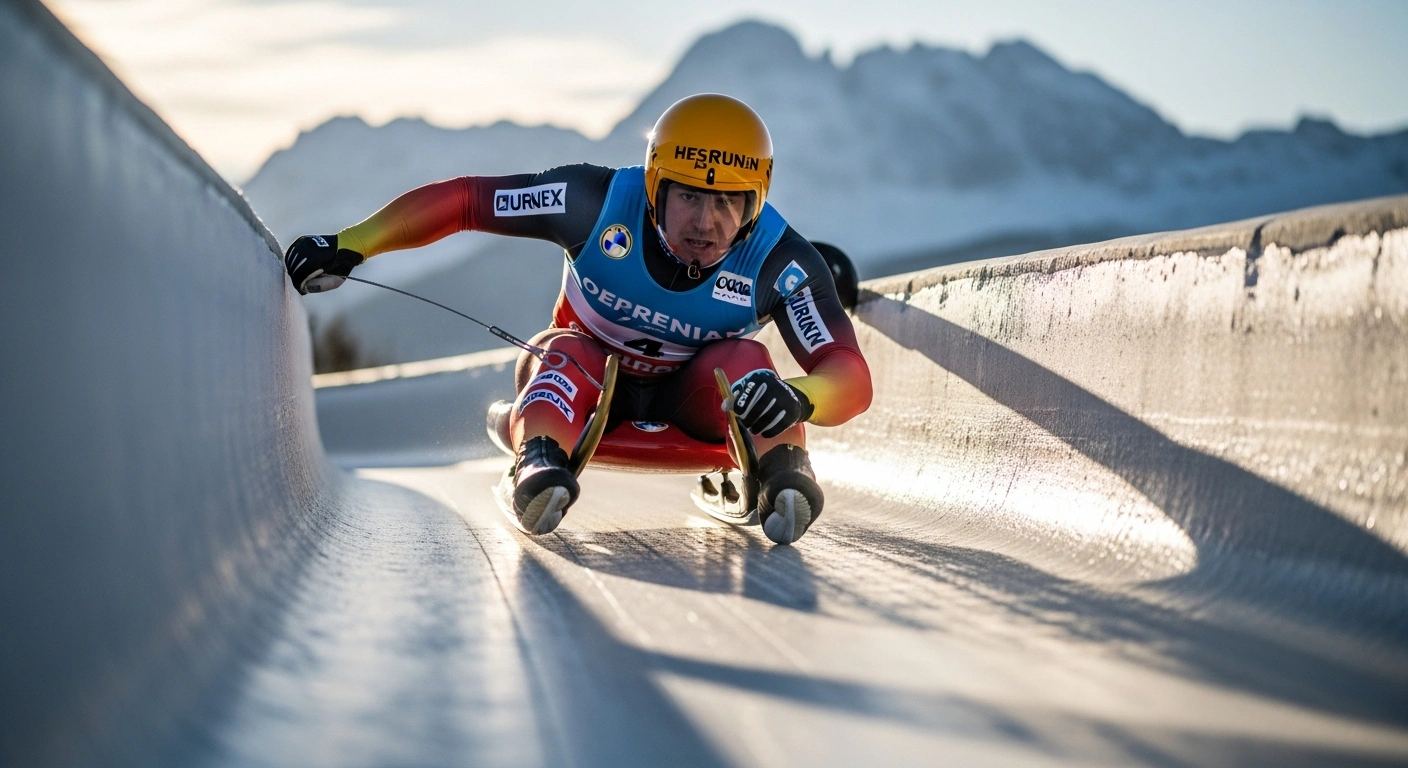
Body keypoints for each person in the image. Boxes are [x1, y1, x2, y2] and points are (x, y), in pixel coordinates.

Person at [283, 94, 872, 544]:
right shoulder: (591, 202)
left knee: (749, 363)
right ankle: (539, 462)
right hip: (590, 380)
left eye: (727, 203)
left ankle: (785, 472)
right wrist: (352, 244)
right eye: (688, 196)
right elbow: (467, 201)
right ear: (653, 186)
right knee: (567, 350)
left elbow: (848, 373)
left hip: (697, 398)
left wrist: (800, 398)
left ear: (754, 204)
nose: (705, 224)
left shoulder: (782, 260)